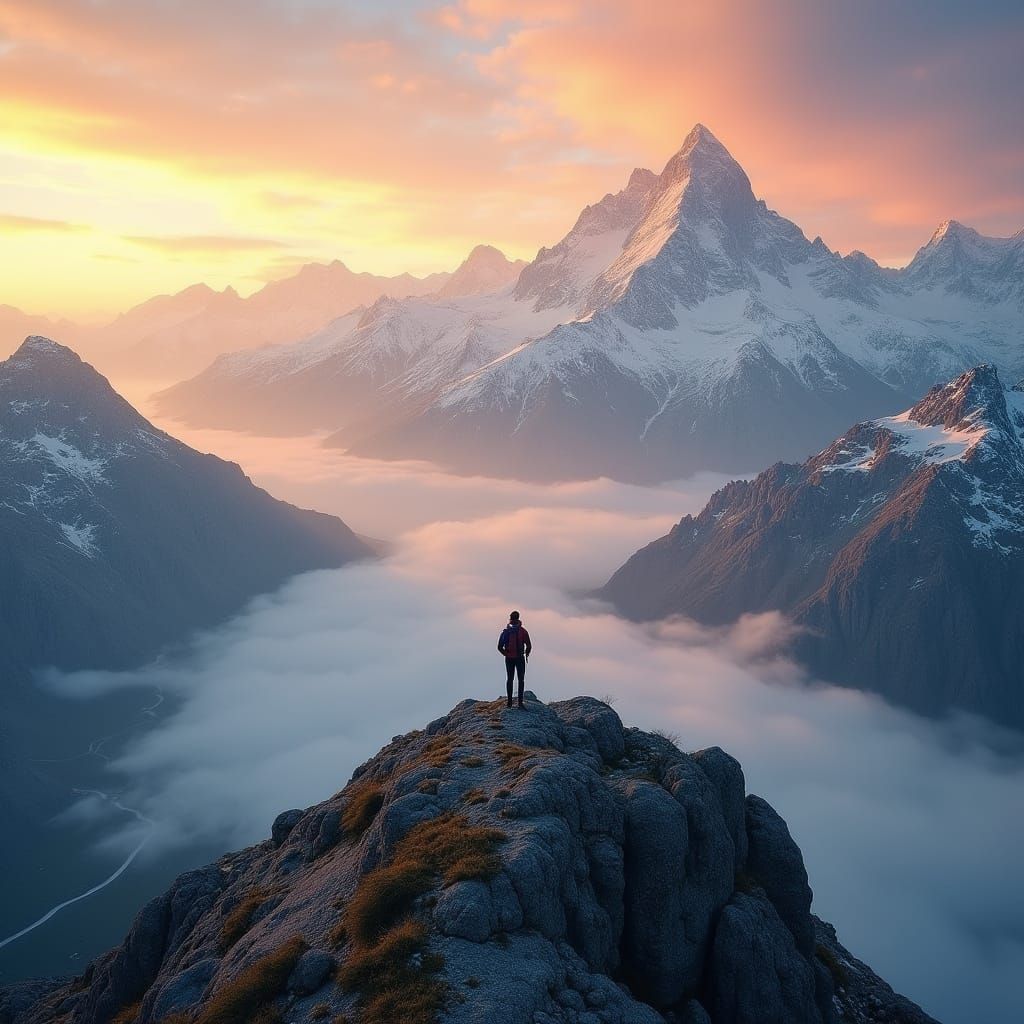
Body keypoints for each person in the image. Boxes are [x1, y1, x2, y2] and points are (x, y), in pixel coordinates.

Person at [497, 610, 532, 708]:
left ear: (510, 618)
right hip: (520, 658)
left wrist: (506, 654)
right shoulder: (523, 631)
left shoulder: (506, 631)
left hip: (509, 659)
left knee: (509, 679)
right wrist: (527, 653)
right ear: (518, 618)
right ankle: (520, 703)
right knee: (521, 680)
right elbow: (529, 645)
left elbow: (499, 647)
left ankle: (509, 703)